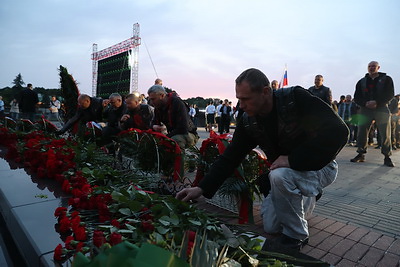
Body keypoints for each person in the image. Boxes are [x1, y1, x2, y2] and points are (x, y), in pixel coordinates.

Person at [176, 68, 348, 251]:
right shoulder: (249, 120)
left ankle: (296, 236)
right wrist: (202, 188)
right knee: (271, 226)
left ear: (265, 91)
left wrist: (293, 159)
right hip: (286, 172)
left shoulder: (296, 98)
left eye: (245, 99)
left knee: (280, 175)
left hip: (320, 167)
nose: (240, 105)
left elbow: (339, 131)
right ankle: (305, 195)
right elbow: (230, 157)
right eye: (238, 99)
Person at [350, 61, 395, 167]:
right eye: (369, 66)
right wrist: (365, 103)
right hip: (365, 109)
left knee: (385, 133)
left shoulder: (386, 79)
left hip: (382, 108)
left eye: (373, 66)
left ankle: (387, 156)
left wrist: (377, 102)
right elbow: (357, 96)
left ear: (378, 67)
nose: (371, 68)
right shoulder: (362, 81)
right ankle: (361, 153)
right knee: (362, 131)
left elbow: (390, 94)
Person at [147, 85, 198, 149]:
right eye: (150, 99)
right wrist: (154, 126)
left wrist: (166, 138)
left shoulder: (177, 103)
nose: (151, 102)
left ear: (162, 96)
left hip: (188, 133)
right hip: (173, 133)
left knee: (173, 141)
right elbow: (153, 123)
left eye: (153, 99)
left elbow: (183, 128)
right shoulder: (158, 107)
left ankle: (180, 157)